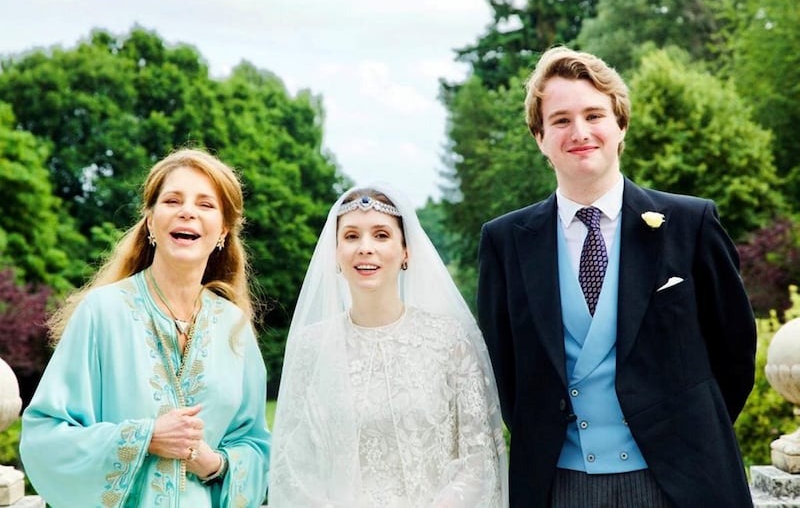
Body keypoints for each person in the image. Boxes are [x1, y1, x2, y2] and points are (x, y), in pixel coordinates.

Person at [477, 46, 757, 507]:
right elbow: (504, 369)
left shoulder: (691, 223)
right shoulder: (505, 241)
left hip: (682, 479)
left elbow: (735, 350)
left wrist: (685, 430)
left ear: (620, 126)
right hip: (558, 482)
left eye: (594, 115)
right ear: (539, 136)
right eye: (562, 120)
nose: (581, 132)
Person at [20, 148, 271, 507]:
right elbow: (44, 438)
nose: (188, 211)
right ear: (151, 222)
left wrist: (214, 463)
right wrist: (145, 437)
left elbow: (258, 448)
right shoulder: (101, 313)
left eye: (205, 204)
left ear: (223, 230)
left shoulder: (235, 329)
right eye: (172, 200)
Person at [268, 183, 508, 507]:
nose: (366, 247)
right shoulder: (311, 347)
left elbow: (478, 459)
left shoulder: (450, 341)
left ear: (406, 251)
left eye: (381, 235)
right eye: (351, 236)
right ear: (336, 253)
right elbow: (292, 465)